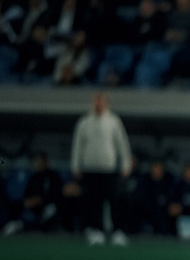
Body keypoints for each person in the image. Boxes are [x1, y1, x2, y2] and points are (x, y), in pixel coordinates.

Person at [70, 92, 133, 245]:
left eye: (101, 102)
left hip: (109, 169)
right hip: (90, 169)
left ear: (107, 104)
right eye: (96, 102)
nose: (98, 104)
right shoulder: (84, 122)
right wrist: (75, 165)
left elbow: (122, 144)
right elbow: (77, 145)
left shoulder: (113, 121)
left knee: (115, 200)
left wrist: (126, 163)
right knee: (93, 202)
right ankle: (95, 230)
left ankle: (118, 231)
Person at [3, 151, 63, 236]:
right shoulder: (34, 177)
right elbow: (27, 192)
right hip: (33, 204)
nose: (37, 164)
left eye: (40, 161)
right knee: (15, 204)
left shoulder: (52, 175)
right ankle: (13, 223)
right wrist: (27, 200)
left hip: (47, 204)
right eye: (36, 161)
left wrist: (41, 200)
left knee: (49, 214)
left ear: (45, 161)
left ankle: (22, 226)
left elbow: (55, 193)